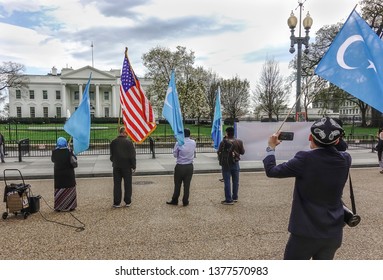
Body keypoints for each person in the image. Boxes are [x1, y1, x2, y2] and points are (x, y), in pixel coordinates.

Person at [263, 117, 351, 260]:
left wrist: (270, 147)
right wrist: (336, 137)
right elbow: (340, 148)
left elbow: (271, 171)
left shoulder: (304, 159)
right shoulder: (345, 159)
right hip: (333, 232)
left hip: (305, 233)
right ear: (337, 140)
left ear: (310, 137)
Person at [166, 128, 196, 207]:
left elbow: (175, 155)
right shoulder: (193, 142)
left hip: (180, 165)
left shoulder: (178, 143)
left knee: (177, 184)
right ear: (189, 134)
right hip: (189, 166)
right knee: (187, 185)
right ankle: (185, 201)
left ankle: (175, 199)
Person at [217, 126, 245, 205]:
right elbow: (242, 152)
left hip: (226, 164)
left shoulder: (223, 142)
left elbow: (219, 152)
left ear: (227, 133)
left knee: (227, 181)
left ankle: (228, 199)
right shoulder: (239, 141)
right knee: (236, 181)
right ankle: (235, 197)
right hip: (235, 163)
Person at [110, 126, 136, 208]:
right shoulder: (129, 142)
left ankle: (117, 202)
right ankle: (127, 201)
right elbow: (132, 156)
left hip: (116, 166)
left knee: (117, 185)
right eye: (127, 133)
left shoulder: (113, 142)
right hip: (127, 166)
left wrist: (114, 161)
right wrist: (133, 166)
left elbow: (111, 155)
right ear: (124, 133)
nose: (128, 135)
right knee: (128, 184)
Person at [51, 137, 77, 211]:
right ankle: (70, 205)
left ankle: (59, 206)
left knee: (59, 190)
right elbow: (74, 162)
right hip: (69, 175)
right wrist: (70, 151)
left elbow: (53, 160)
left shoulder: (55, 152)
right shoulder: (69, 151)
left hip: (59, 175)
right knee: (69, 190)